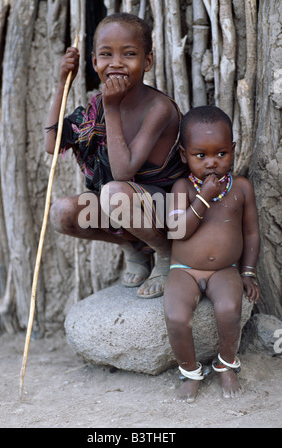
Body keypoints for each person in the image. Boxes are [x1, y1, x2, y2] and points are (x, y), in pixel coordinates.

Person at [45, 13, 188, 299]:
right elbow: (52, 144)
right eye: (106, 54)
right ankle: (133, 247)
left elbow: (123, 172)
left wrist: (112, 109)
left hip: (168, 210)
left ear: (147, 62)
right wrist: (63, 83)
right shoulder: (98, 105)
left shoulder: (158, 108)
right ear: (95, 62)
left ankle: (165, 253)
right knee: (62, 213)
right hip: (125, 205)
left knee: (113, 192)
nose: (116, 63)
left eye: (129, 54)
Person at [164, 105, 260, 402]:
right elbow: (178, 231)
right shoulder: (182, 187)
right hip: (184, 269)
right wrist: (203, 197)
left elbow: (251, 233)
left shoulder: (241, 189)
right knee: (176, 316)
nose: (212, 163)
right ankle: (191, 371)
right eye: (200, 155)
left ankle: (226, 364)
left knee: (230, 310)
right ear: (184, 155)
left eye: (221, 154)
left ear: (232, 149)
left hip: (224, 270)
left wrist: (248, 272)